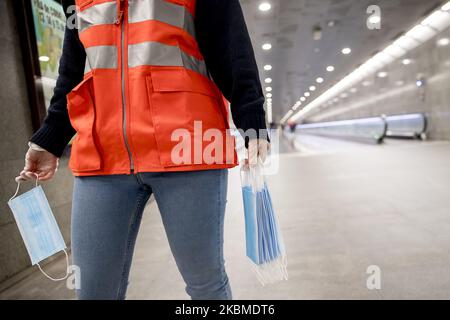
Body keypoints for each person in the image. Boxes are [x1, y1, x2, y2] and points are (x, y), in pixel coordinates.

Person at [16, 0, 269, 300]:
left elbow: (231, 46)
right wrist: (49, 140)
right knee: (93, 292)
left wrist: (252, 122)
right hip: (102, 155)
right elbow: (73, 70)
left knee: (206, 285)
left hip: (186, 148)